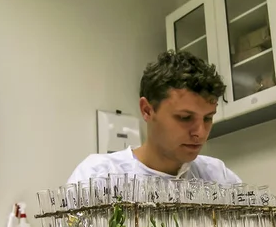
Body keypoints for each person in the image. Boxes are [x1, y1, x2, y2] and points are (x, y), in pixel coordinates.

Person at [67, 50, 241, 184]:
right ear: (147, 110)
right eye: (185, 118)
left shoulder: (219, 177)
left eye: (208, 118)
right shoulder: (97, 177)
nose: (201, 133)